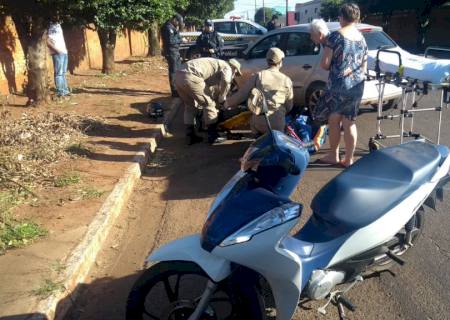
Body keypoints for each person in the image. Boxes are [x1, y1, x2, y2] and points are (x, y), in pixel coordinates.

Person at [310, 3, 368, 168]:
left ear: (342, 17)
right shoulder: (362, 38)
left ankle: (333, 155)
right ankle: (349, 159)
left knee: (333, 120)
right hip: (357, 85)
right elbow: (364, 65)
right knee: (350, 122)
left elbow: (325, 64)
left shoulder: (336, 36)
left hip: (338, 85)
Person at [225, 47, 293, 136]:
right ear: (280, 62)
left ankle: (257, 137)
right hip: (278, 124)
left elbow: (241, 95)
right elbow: (289, 106)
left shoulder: (258, 76)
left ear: (267, 61)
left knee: (252, 117)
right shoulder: (286, 80)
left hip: (260, 123)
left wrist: (226, 104)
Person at [175, 57, 242, 145]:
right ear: (234, 68)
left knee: (189, 106)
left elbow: (207, 86)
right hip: (191, 76)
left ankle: (190, 136)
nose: (234, 76)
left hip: (178, 76)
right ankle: (213, 136)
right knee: (209, 104)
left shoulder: (214, 64)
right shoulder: (227, 67)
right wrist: (222, 97)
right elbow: (226, 80)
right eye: (236, 73)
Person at [161, 14, 184, 97]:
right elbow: (171, 41)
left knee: (178, 70)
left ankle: (178, 88)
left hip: (175, 51)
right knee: (173, 71)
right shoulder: (167, 27)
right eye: (178, 22)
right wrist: (180, 40)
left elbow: (178, 38)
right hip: (171, 52)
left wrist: (180, 39)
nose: (178, 24)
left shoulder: (172, 27)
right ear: (174, 19)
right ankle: (174, 91)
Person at [47, 20, 70, 99]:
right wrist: (56, 50)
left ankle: (65, 91)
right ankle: (60, 92)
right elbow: (46, 40)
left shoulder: (58, 24)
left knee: (63, 73)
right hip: (57, 53)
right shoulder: (47, 25)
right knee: (59, 73)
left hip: (64, 51)